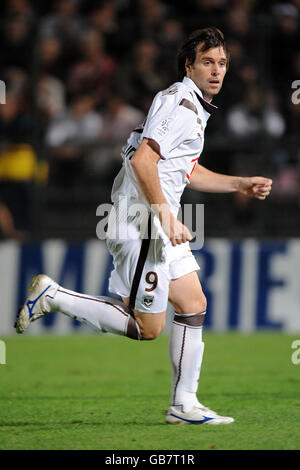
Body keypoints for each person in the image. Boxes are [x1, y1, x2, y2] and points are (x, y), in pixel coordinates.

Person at [15, 27, 272, 425]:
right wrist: (165, 216)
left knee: (194, 305)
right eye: (207, 62)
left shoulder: (189, 105)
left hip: (153, 220)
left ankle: (184, 405)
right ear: (190, 66)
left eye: (222, 63)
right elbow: (143, 162)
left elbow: (182, 168)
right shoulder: (181, 106)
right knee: (147, 327)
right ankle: (55, 296)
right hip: (142, 222)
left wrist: (238, 183)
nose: (217, 71)